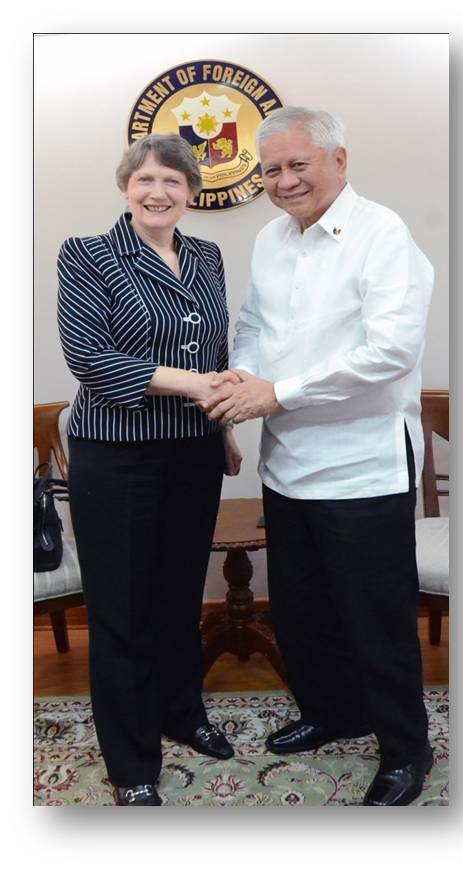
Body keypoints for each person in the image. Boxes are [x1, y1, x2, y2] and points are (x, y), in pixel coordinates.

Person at [201, 107, 435, 806]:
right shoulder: (272, 239)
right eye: (271, 168)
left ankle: (405, 749)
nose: (284, 180)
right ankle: (335, 711)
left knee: (377, 617)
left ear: (339, 160)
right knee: (303, 611)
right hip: (288, 462)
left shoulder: (383, 233)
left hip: (363, 464)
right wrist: (243, 382)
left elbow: (390, 351)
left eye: (298, 164)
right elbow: (254, 327)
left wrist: (278, 392)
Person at [57, 134, 242, 806]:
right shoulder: (87, 255)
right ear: (126, 185)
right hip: (117, 456)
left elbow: (216, 346)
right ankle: (132, 761)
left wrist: (219, 427)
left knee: (177, 597)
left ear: (193, 192)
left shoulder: (208, 255)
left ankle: (181, 712)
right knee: (122, 611)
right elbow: (92, 360)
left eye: (173, 180)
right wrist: (197, 387)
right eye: (146, 179)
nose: (159, 191)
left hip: (193, 451)